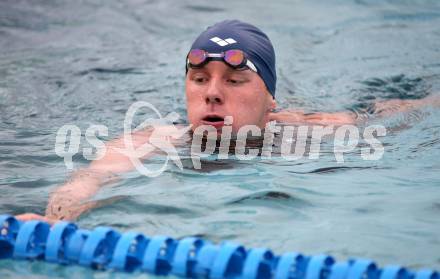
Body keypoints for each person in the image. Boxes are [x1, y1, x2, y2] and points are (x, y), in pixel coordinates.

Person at [16, 20, 439, 224]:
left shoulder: (316, 130)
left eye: (235, 80)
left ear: (270, 99)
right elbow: (87, 181)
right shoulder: (151, 140)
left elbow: (397, 115)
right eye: (198, 80)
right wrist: (55, 221)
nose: (212, 93)